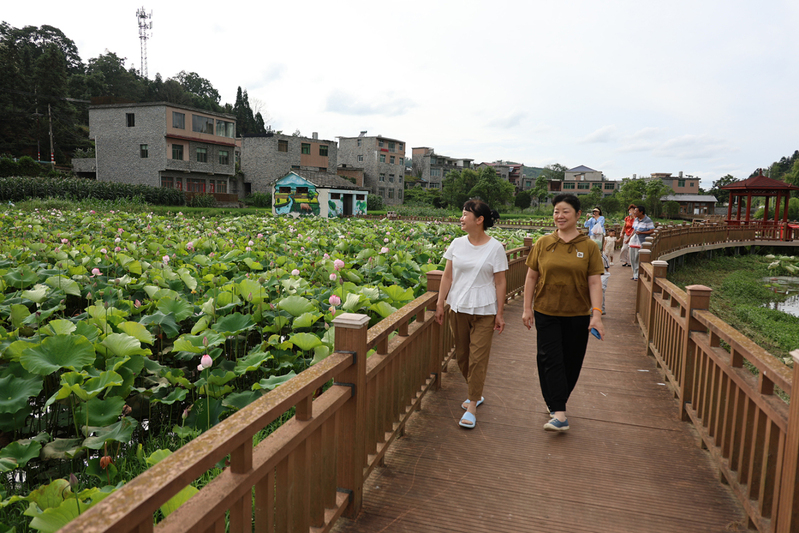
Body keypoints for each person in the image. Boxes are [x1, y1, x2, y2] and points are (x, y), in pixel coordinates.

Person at [522, 194, 605, 432]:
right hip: (546, 311)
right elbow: (531, 277)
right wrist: (527, 309)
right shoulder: (543, 243)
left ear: (578, 215)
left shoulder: (588, 246)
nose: (560, 216)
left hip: (577, 313)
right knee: (550, 358)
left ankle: (555, 401)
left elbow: (594, 283)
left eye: (565, 211)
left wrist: (596, 315)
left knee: (572, 361)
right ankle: (560, 413)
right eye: (557, 211)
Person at [435, 199, 508, 429]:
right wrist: (439, 303)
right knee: (463, 356)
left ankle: (473, 404)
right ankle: (475, 391)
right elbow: (447, 276)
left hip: (485, 309)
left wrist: (500, 312)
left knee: (478, 358)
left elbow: (500, 282)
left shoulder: (495, 247)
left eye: (465, 214)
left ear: (480, 220)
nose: (461, 218)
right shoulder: (456, 244)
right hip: (458, 306)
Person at [629, 204, 655, 281]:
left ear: (641, 212)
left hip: (641, 241)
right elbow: (634, 230)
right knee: (632, 258)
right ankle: (634, 273)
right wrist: (628, 239)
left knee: (637, 258)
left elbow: (652, 230)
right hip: (633, 241)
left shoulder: (648, 220)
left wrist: (642, 233)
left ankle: (637, 274)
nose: (635, 213)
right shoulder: (636, 220)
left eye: (636, 211)